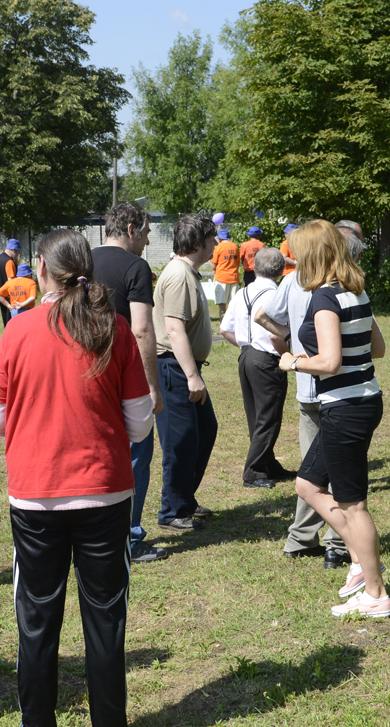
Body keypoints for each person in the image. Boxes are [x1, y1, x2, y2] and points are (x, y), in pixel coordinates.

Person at [0, 229, 155, 727]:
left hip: (37, 496)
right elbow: (139, 421)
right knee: (105, 617)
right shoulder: (115, 328)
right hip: (104, 494)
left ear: (41, 268)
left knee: (37, 619)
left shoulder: (20, 330)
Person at [277, 220, 390, 618]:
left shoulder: (324, 299)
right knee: (307, 484)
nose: (293, 261)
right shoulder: (355, 290)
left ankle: (375, 594)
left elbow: (329, 362)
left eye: (297, 254)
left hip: (346, 409)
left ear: (313, 256)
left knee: (354, 504)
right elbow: (377, 348)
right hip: (361, 402)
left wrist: (294, 361)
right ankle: (363, 563)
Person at [254, 233, 349, 567]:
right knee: (336, 467)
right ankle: (337, 543)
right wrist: (295, 350)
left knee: (312, 467)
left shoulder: (293, 281)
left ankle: (301, 537)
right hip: (335, 388)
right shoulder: (340, 287)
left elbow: (262, 317)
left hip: (310, 385)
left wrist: (292, 344)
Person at [92, 203, 167, 565]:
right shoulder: (137, 267)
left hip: (88, 375)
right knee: (137, 454)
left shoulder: (84, 261)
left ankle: (98, 534)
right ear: (132, 229)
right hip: (124, 376)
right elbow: (141, 329)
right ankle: (130, 538)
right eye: (148, 233)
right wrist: (152, 386)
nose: (147, 241)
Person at [154, 214, 220, 532]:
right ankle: (172, 511)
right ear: (197, 243)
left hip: (185, 368)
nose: (215, 245)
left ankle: (184, 499)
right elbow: (174, 329)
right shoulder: (179, 274)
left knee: (203, 431)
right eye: (211, 240)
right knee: (179, 441)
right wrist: (192, 376)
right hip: (175, 368)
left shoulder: (187, 272)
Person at [223, 247, 293, 488]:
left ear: (254, 266)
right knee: (269, 418)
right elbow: (276, 336)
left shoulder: (243, 292)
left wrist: (246, 345)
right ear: (282, 269)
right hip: (266, 358)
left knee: (256, 416)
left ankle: (267, 464)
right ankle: (253, 472)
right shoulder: (276, 294)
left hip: (247, 356)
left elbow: (224, 329)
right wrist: (290, 356)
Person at [210, 228, 242, 315]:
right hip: (234, 278)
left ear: (219, 238)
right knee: (234, 305)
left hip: (221, 279)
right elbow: (238, 262)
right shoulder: (235, 246)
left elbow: (213, 266)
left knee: (222, 305)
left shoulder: (218, 247)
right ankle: (234, 327)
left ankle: (222, 326)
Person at [0, 239, 22, 326]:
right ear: (13, 250)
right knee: (13, 321)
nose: (19, 253)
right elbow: (11, 280)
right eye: (18, 250)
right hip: (10, 296)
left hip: (1, 293)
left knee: (6, 319)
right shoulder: (9, 262)